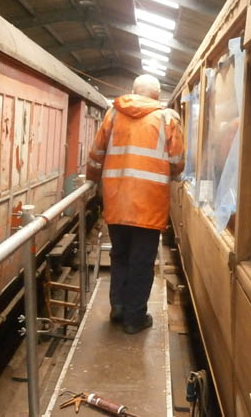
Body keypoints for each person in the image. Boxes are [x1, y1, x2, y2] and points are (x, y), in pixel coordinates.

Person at [88, 74, 184, 334]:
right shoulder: (167, 118)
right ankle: (134, 318)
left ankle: (117, 307)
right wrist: (172, 173)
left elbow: (96, 154)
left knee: (119, 255)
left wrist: (93, 181)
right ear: (157, 96)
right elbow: (177, 162)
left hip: (117, 200)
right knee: (141, 261)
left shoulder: (113, 115)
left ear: (132, 92)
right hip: (149, 205)